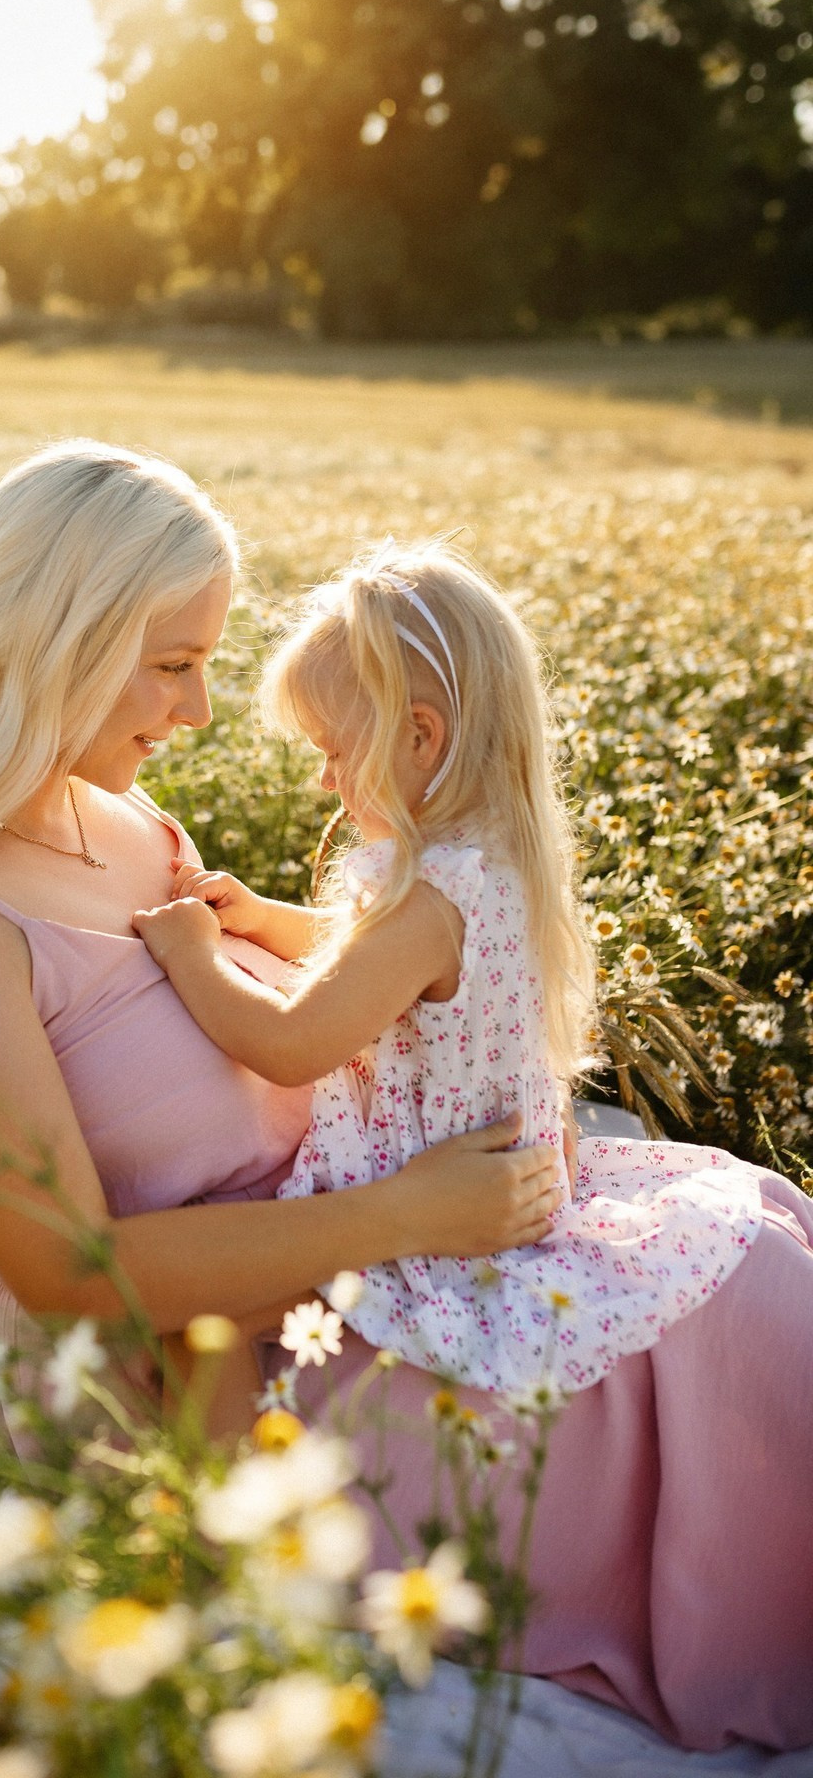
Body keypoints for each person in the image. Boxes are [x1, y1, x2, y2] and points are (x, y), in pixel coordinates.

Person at [0, 440, 813, 1754]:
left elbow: (323, 996)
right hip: (255, 1360)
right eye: (171, 661)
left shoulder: (125, 826)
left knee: (752, 1236)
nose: (193, 709)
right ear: (47, 640)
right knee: (730, 1337)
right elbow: (70, 1275)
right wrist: (413, 1215)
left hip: (385, 1249)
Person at [131, 541, 762, 1404]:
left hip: (435, 1205)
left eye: (335, 752)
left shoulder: (429, 902)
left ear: (421, 736)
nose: (323, 780)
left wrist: (191, 956)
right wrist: (265, 917)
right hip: (495, 1176)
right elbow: (376, 960)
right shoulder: (494, 864)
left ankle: (212, 1505)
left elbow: (290, 1045)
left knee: (199, 1310)